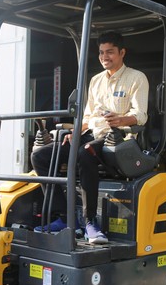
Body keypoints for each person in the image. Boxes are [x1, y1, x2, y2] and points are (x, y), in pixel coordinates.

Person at [30, 31, 148, 244]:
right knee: (41, 155)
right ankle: (64, 217)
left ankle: (90, 222)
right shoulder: (95, 81)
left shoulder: (136, 78)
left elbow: (141, 115)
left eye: (110, 52)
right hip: (91, 134)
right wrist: (76, 132)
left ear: (122, 53)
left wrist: (120, 120)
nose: (105, 57)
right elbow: (87, 116)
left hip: (118, 138)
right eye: (101, 53)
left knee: (86, 153)